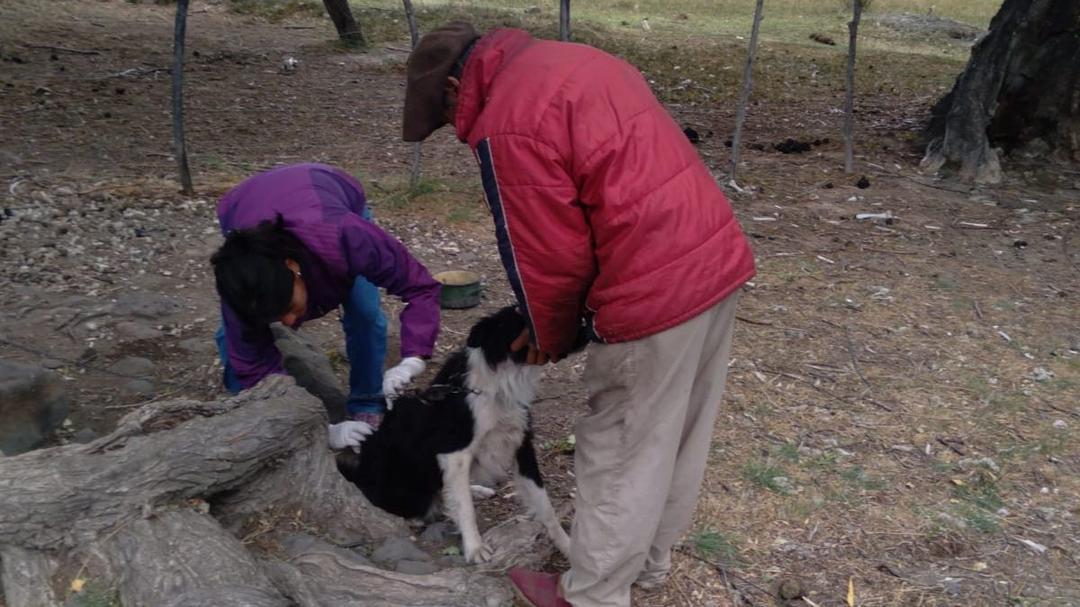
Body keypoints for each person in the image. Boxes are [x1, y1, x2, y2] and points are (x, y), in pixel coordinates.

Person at [403, 23, 757, 607]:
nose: (455, 128)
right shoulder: (574, 63)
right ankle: (645, 565)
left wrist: (548, 335)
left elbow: (548, 255)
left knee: (619, 442)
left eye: (445, 116)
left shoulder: (510, 119)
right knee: (678, 431)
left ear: (450, 90)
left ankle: (592, 594)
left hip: (653, 288)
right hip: (712, 261)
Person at [210, 163, 440, 451]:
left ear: (292, 267)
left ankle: (367, 400)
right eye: (280, 317)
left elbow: (420, 287)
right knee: (239, 337)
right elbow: (254, 361)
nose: (292, 322)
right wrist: (323, 430)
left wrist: (412, 360)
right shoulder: (243, 281)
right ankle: (242, 398)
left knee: (365, 315)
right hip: (242, 206)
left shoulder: (346, 236)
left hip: (324, 192)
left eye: (291, 307)